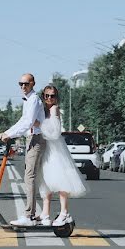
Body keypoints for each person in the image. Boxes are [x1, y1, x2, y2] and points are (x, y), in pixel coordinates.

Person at [35, 84, 87, 226]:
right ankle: (45, 213)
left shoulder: (54, 109)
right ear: (43, 96)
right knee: (46, 181)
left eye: (52, 96)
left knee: (60, 180)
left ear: (56, 98)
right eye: (47, 96)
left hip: (55, 150)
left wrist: (39, 124)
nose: (49, 98)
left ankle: (64, 212)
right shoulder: (44, 109)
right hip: (46, 149)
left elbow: (55, 132)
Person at [0, 73, 44, 227]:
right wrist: (8, 132)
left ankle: (29, 215)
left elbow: (28, 123)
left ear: (33, 84)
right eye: (21, 84)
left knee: (29, 177)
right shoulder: (28, 100)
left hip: (36, 139)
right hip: (31, 139)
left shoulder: (34, 100)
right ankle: (31, 214)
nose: (23, 86)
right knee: (29, 176)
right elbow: (22, 121)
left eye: (26, 84)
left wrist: (9, 134)